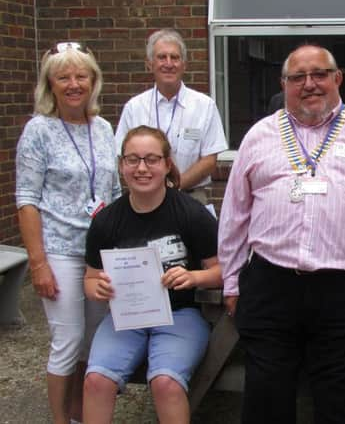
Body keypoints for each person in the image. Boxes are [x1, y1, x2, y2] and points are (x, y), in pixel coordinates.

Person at [218, 44, 345, 424]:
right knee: (265, 395)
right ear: (284, 84)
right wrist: (231, 280)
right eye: (298, 77)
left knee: (342, 399)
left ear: (337, 79)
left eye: (319, 74)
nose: (309, 84)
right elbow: (234, 215)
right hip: (271, 284)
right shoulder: (260, 135)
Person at [82, 126, 222, 424]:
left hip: (180, 315)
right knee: (96, 380)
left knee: (165, 383)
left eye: (151, 159)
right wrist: (98, 289)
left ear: (167, 164)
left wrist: (194, 277)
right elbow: (90, 279)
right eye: (132, 160)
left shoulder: (191, 214)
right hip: (126, 317)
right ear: (121, 165)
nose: (142, 168)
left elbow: (223, 271)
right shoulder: (106, 221)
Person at [15, 42, 121, 424]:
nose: (74, 84)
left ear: (93, 81)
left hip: (99, 253)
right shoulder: (38, 130)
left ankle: (81, 415)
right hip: (59, 250)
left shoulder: (104, 127)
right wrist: (39, 264)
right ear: (50, 84)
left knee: (93, 343)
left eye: (81, 76)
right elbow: (26, 199)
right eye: (64, 77)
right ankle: (60, 419)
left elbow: (113, 194)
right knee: (68, 340)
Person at [115, 28, 227, 204]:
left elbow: (209, 160)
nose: (168, 63)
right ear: (150, 63)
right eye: (161, 57)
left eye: (174, 57)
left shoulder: (205, 106)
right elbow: (122, 157)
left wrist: (174, 186)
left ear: (184, 64)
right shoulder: (134, 107)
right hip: (144, 199)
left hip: (191, 198)